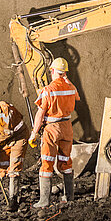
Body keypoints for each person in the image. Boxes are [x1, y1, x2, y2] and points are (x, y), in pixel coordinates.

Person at [29, 57, 79, 207]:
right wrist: (66, 79)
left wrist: (34, 133)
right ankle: (69, 196)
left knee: (47, 162)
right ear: (64, 73)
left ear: (51, 71)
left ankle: (44, 200)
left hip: (52, 128)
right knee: (65, 161)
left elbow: (40, 114)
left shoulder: (48, 90)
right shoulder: (71, 88)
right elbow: (77, 96)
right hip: (67, 127)